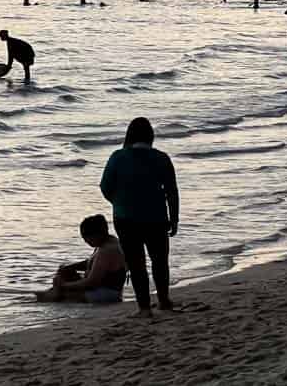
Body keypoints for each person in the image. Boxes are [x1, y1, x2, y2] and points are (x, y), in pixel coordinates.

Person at [99, 117, 179, 316]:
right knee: (160, 261)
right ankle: (163, 300)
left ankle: (144, 308)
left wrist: (119, 202)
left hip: (125, 218)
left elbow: (105, 186)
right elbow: (171, 191)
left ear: (129, 135)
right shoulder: (161, 158)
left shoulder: (117, 157)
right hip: (157, 216)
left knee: (136, 263)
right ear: (151, 136)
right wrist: (174, 218)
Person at [34, 215, 127, 304]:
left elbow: (92, 282)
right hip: (98, 288)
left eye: (86, 237)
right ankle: (55, 292)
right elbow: (92, 263)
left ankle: (55, 293)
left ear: (95, 235)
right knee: (65, 271)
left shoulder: (107, 250)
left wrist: (63, 285)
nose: (85, 241)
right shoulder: (107, 242)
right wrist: (70, 267)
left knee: (52, 298)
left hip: (106, 293)